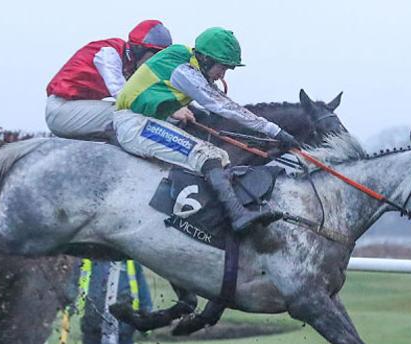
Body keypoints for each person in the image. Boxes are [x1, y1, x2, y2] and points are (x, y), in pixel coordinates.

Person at [114, 27, 302, 233]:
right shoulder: (184, 71)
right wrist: (275, 131)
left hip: (144, 121)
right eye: (222, 67)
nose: (222, 74)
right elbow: (224, 107)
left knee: (220, 155)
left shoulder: (188, 61)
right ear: (205, 59)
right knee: (206, 154)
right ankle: (237, 216)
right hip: (134, 124)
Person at [45, 20, 172, 140]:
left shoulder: (131, 65)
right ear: (139, 50)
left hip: (77, 110)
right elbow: (124, 96)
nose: (156, 63)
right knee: (127, 114)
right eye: (155, 56)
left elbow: (155, 90)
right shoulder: (109, 52)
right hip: (61, 110)